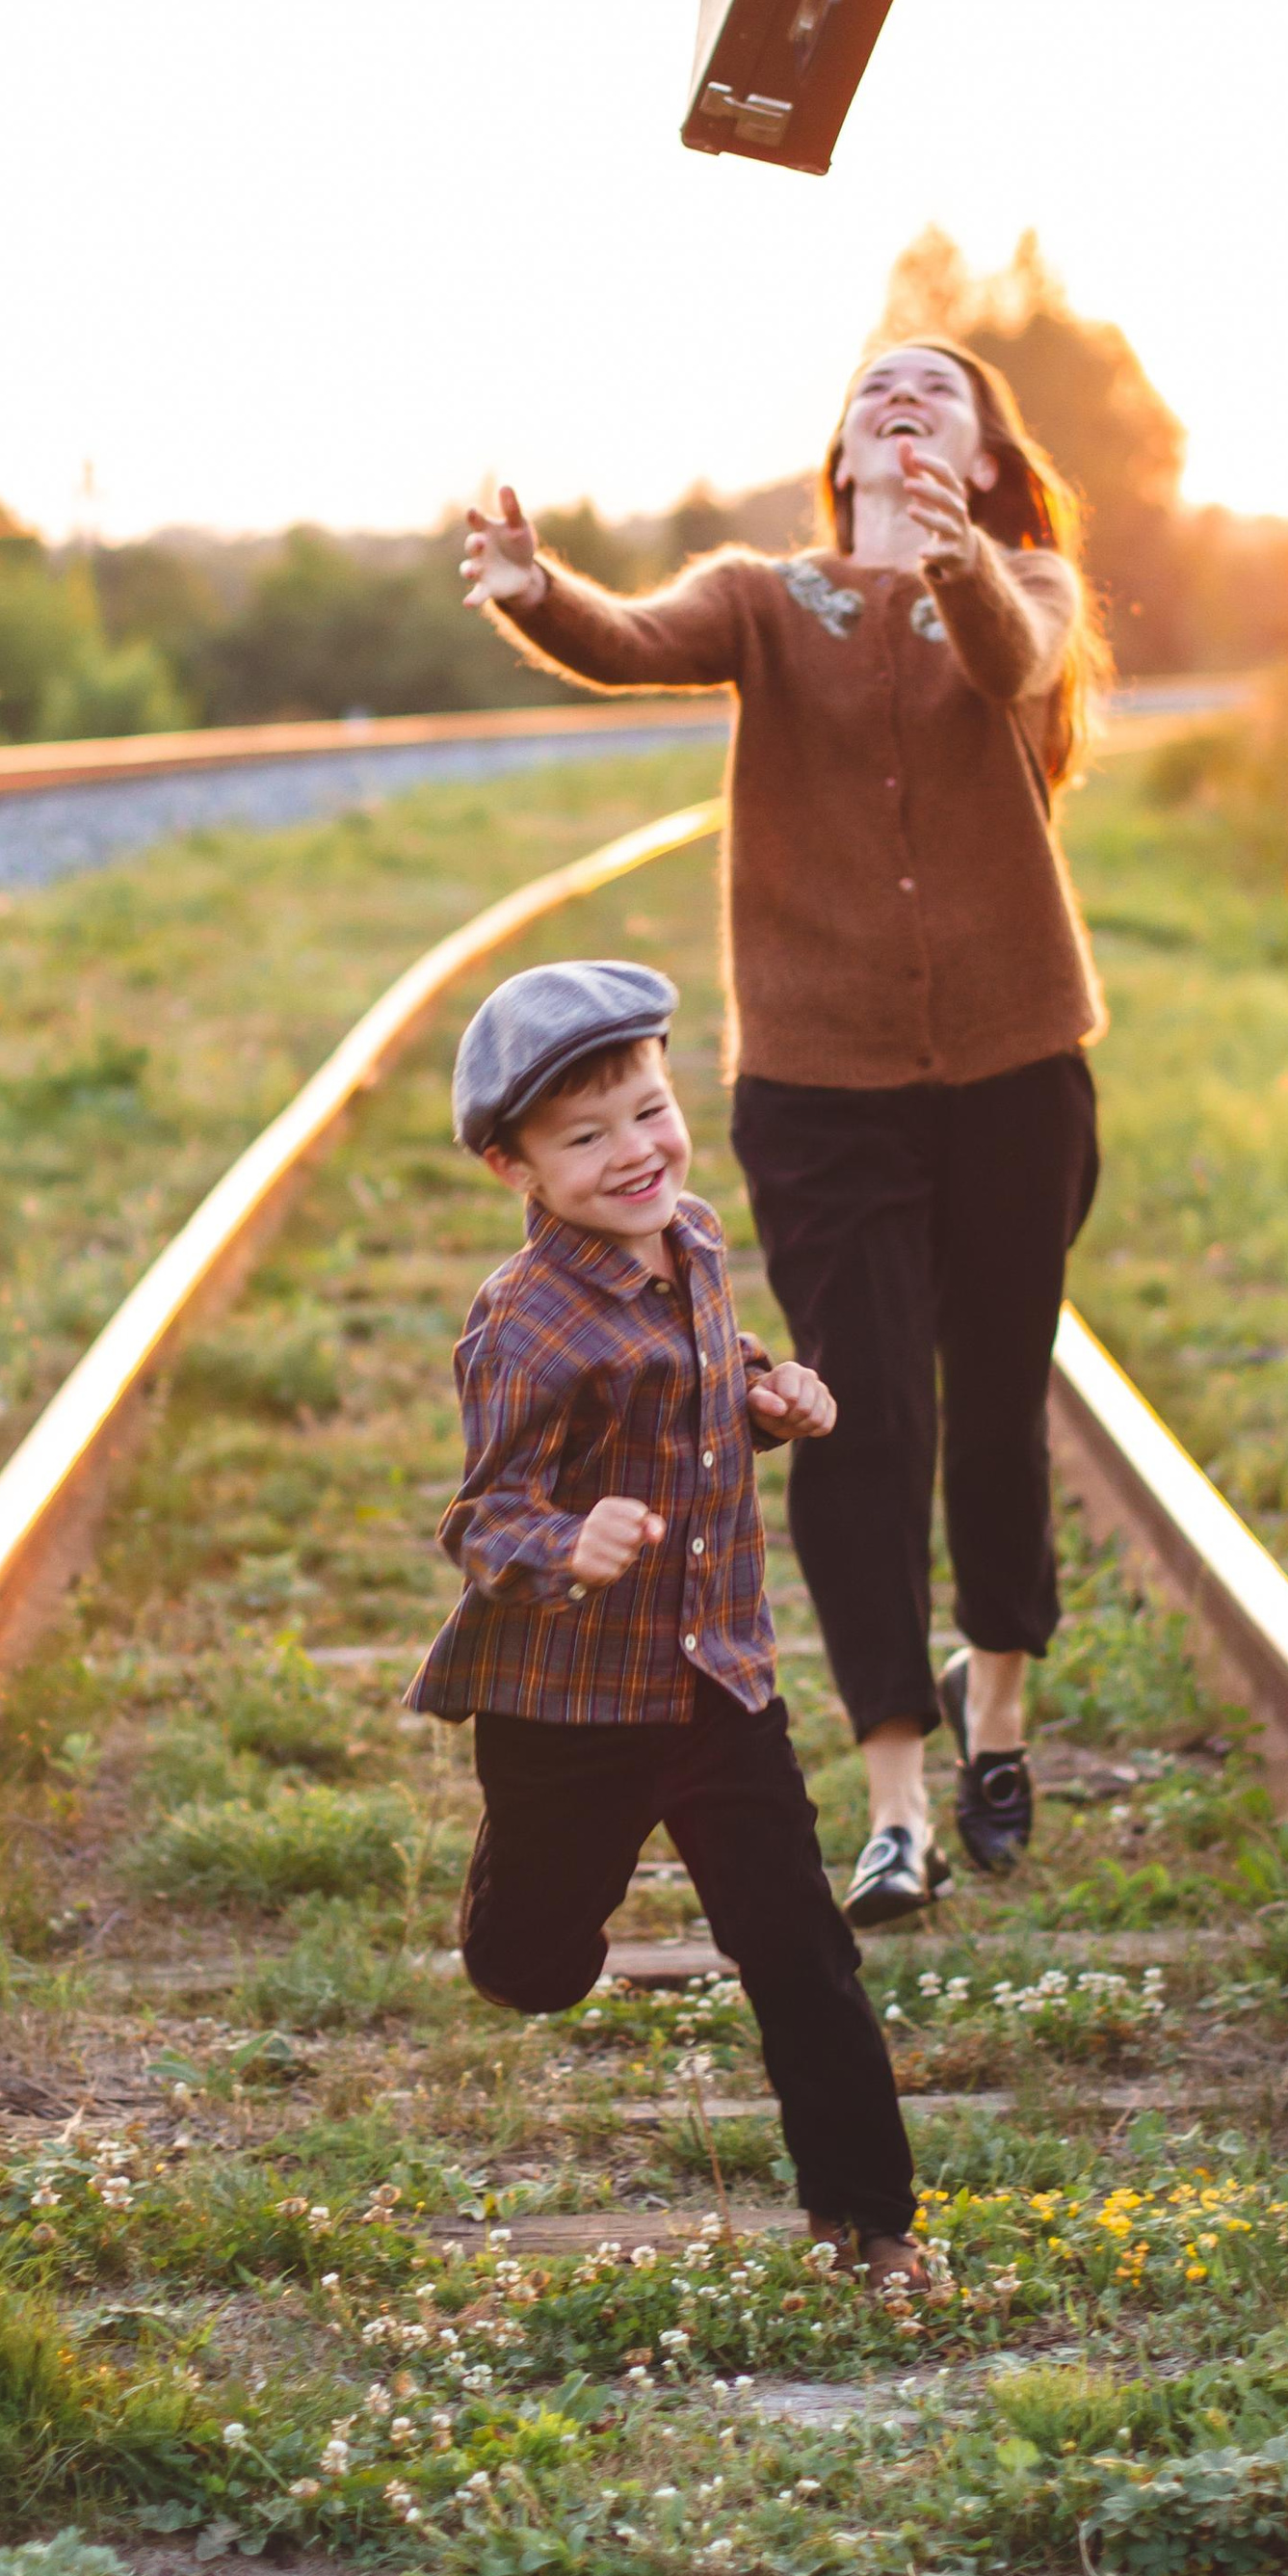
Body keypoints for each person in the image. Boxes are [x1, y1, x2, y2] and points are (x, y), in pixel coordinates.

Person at [458, 341, 1106, 1928]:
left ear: (986, 457)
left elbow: (1010, 660)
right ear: (841, 448)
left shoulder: (1027, 584)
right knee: (860, 1420)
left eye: (937, 390)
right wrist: (537, 592)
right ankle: (897, 1800)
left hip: (1017, 1068)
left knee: (999, 1405)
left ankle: (996, 1709)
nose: (901, 396)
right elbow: (631, 638)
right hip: (822, 1088)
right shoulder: (763, 598)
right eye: (877, 387)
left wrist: (954, 557)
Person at [407, 955, 923, 2278]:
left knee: (797, 1949)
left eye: (648, 1110)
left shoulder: (691, 1239)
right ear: (515, 1169)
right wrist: (565, 1541)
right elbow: (482, 1518)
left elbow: (705, 1377)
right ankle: (511, 1917)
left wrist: (770, 1397)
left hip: (716, 1683)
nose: (635, 1151)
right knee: (533, 1967)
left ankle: (867, 2222)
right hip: (566, 1706)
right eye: (585, 1138)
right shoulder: (523, 1325)